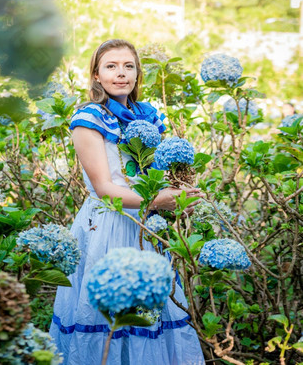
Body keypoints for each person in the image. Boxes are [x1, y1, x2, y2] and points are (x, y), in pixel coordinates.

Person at [49, 39, 205, 365]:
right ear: (96, 75)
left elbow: (154, 175)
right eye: (111, 66)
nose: (121, 74)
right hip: (107, 225)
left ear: (137, 74)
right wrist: (157, 202)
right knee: (109, 316)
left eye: (128, 66)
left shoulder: (147, 116)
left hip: (146, 227)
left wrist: (182, 191)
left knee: (149, 314)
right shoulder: (88, 119)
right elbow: (105, 188)